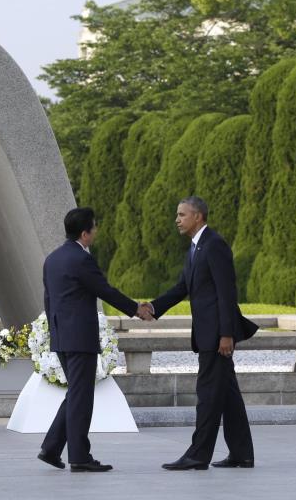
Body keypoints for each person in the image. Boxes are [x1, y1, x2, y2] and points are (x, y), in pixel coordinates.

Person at [143, 196, 258, 471]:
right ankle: (242, 454)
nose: (177, 219)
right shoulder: (196, 248)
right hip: (209, 334)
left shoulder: (214, 245)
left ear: (198, 217)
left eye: (182, 214)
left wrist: (227, 334)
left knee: (207, 396)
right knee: (228, 396)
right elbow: (183, 286)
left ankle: (198, 454)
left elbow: (226, 293)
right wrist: (153, 307)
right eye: (178, 214)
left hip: (217, 336)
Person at [38, 207, 153, 473]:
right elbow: (105, 291)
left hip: (62, 337)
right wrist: (136, 309)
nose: (97, 231)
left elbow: (49, 300)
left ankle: (51, 448)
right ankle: (79, 457)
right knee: (81, 397)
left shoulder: (52, 259)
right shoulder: (81, 259)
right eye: (95, 227)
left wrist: (55, 334)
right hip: (80, 338)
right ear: (84, 233)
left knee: (76, 394)